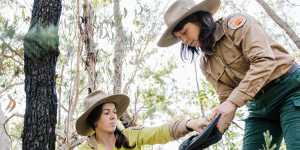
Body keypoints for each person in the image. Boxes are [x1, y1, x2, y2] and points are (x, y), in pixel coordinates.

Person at [157, 0, 300, 149]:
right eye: (180, 38)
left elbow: (264, 61)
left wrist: (231, 102)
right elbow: (227, 98)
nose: (185, 41)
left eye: (185, 32)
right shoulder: (205, 63)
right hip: (259, 108)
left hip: (291, 90)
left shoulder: (236, 25)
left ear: (199, 19)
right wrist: (211, 130)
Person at [76, 90, 209, 150]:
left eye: (115, 112)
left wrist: (189, 124)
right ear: (94, 121)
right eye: (106, 113)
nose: (113, 116)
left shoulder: (131, 136)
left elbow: (160, 132)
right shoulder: (85, 149)